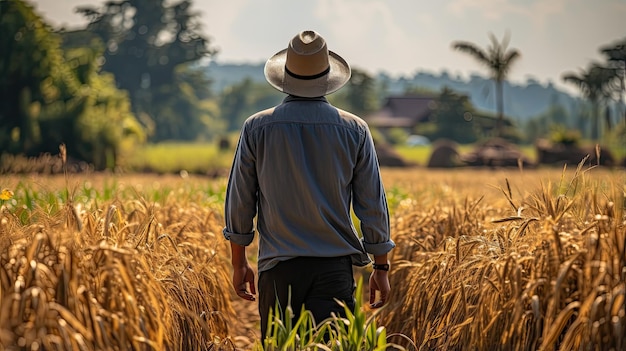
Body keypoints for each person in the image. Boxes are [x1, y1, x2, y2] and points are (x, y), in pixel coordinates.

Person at [222, 30, 395, 341]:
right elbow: (372, 204)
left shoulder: (256, 127)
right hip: (334, 268)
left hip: (278, 266)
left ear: (285, 76)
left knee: (281, 346)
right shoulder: (355, 130)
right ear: (327, 77)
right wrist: (380, 269)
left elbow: (240, 201)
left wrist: (239, 263)